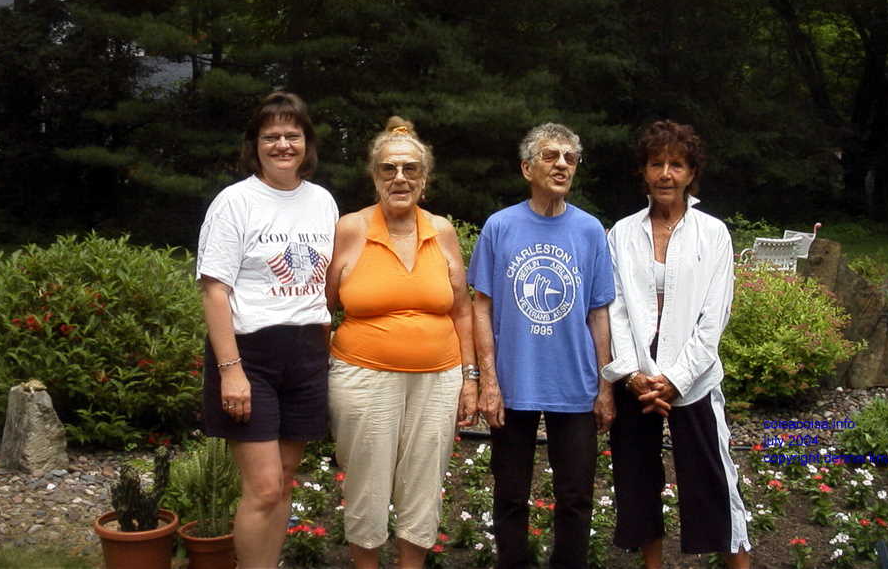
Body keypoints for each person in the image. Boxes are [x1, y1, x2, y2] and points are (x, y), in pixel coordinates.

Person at [326, 117, 478, 569]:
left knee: (424, 483)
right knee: (366, 483)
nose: (400, 178)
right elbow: (324, 306)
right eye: (389, 169)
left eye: (411, 169)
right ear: (374, 176)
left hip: (438, 378)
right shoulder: (350, 229)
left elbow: (462, 310)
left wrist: (470, 379)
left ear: (425, 179)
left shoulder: (442, 231)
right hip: (362, 376)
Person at [196, 91, 338, 569]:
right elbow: (214, 292)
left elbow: (329, 281)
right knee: (263, 487)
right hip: (249, 357)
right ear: (254, 144)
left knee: (286, 478)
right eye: (271, 136)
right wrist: (230, 371)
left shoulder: (322, 202)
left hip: (306, 354)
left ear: (307, 142)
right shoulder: (234, 203)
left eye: (292, 135)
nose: (282, 145)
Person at [600, 120, 751, 568]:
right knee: (638, 481)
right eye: (656, 163)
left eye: (676, 164)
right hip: (637, 381)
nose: (666, 173)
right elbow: (615, 308)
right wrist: (634, 375)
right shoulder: (622, 233)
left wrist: (675, 380)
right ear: (643, 172)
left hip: (695, 381)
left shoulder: (713, 233)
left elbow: (713, 317)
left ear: (691, 173)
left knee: (714, 481)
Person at [469, 122, 615, 569]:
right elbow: (480, 308)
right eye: (551, 156)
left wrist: (606, 385)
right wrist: (487, 381)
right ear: (526, 167)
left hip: (575, 384)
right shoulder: (500, 227)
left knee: (576, 496)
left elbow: (599, 312)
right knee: (510, 494)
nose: (562, 165)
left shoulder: (590, 231)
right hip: (513, 385)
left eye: (570, 158)